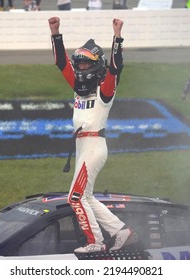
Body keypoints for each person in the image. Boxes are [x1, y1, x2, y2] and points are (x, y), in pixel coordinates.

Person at [48, 16, 136, 253]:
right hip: (82, 148)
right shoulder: (78, 87)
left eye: (87, 64)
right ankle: (121, 232)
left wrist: (117, 36)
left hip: (94, 147)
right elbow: (61, 63)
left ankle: (95, 243)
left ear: (97, 65)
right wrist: (55, 32)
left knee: (75, 198)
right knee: (86, 196)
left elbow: (116, 68)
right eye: (81, 64)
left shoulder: (104, 90)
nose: (82, 68)